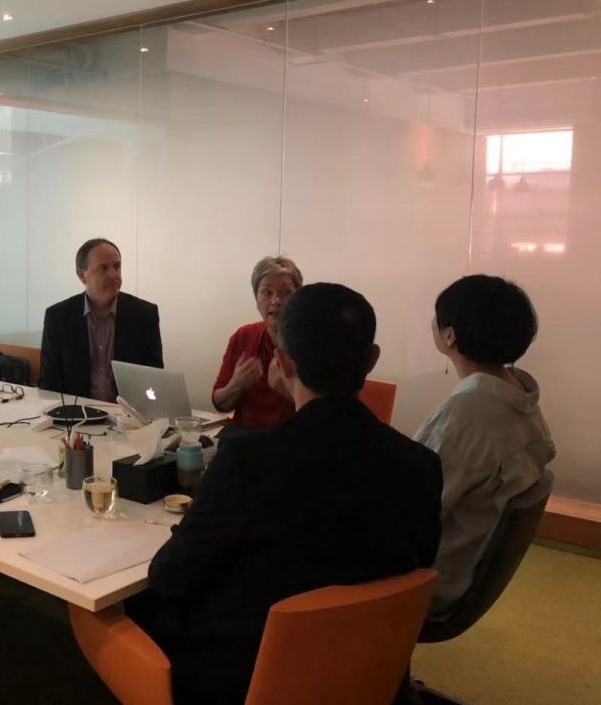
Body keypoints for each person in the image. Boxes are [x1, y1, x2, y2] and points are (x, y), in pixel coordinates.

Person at [134, 283, 442, 705]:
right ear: (372, 359)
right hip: (368, 669)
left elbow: (168, 576)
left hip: (246, 677)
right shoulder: (421, 466)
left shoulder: (247, 460)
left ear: (282, 360)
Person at [415, 275, 556, 619]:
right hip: (462, 569)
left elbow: (411, 508)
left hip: (427, 581)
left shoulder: (468, 415)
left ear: (450, 335)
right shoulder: (520, 394)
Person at [39, 237, 163, 401]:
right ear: (82, 275)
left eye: (117, 266)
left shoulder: (144, 315)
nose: (113, 275)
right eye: (103, 268)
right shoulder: (58, 317)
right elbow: (49, 383)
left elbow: (154, 378)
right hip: (76, 411)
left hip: (127, 413)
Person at [211, 255, 302, 428]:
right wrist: (236, 384)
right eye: (267, 292)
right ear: (256, 300)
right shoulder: (243, 336)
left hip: (292, 437)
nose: (276, 300)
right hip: (245, 436)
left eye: (286, 292)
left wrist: (288, 388)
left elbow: (325, 413)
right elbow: (220, 404)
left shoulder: (312, 342)